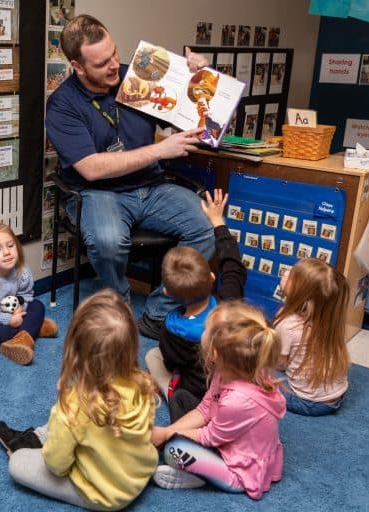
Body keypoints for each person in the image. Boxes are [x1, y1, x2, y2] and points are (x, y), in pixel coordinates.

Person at [45, 15, 214, 337]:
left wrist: (198, 78)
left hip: (151, 187)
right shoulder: (62, 105)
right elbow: (91, 168)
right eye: (101, 63)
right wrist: (158, 151)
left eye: (114, 54)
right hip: (99, 193)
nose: (114, 66)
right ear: (77, 67)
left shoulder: (139, 78)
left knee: (208, 227)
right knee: (108, 242)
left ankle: (156, 313)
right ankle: (121, 306)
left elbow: (201, 119)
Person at [0, 289, 157, 510]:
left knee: (18, 462)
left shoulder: (74, 404)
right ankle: (37, 436)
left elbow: (57, 466)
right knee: (68, 425)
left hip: (105, 494)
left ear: (76, 349)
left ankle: (34, 443)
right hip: (140, 474)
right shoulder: (143, 383)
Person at [151, 301, 285, 500]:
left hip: (238, 469)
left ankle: (203, 476)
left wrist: (166, 435)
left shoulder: (239, 400)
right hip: (224, 434)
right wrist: (167, 433)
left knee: (173, 450)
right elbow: (205, 410)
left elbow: (209, 436)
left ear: (215, 353)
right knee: (180, 398)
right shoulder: (226, 371)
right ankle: (189, 457)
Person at [145, 189, 246, 422]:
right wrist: (218, 221)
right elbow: (233, 265)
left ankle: (187, 407)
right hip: (232, 386)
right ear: (211, 277)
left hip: (195, 393)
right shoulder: (230, 303)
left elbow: (171, 363)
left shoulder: (170, 328)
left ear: (167, 293)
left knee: (152, 356)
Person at [0, 218, 58, 365]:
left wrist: (21, 306)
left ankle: (22, 338)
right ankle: (31, 330)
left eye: (10, 245)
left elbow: (26, 295)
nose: (6, 252)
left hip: (13, 313)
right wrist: (9, 320)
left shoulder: (21, 272)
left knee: (38, 305)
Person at [274, 258, 350, 416]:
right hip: (338, 395)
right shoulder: (332, 321)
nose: (286, 273)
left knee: (256, 368)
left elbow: (280, 364)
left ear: (303, 296)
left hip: (308, 402)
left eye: (293, 276)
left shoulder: (287, 325)